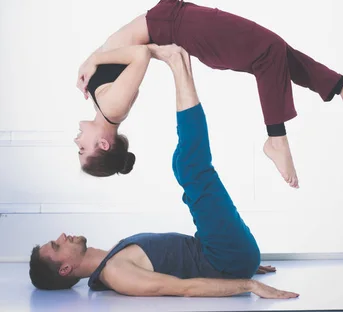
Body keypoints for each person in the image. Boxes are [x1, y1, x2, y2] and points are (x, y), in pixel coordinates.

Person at [30, 45, 299, 300]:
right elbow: (185, 288)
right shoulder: (116, 274)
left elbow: (184, 260)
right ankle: (178, 62)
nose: (62, 236)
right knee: (191, 167)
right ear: (65, 269)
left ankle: (179, 64)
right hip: (224, 257)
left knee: (184, 164)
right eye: (57, 246)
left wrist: (240, 265)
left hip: (224, 255)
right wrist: (246, 283)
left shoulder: (114, 257)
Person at [76, 0, 343, 187]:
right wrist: (95, 59)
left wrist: (94, 63)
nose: (76, 142)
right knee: (267, 50)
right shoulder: (112, 108)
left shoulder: (103, 103)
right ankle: (276, 138)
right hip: (177, 26)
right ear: (103, 144)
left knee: (274, 51)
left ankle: (342, 87)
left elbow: (127, 50)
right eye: (82, 149)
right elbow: (140, 54)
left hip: (175, 23)